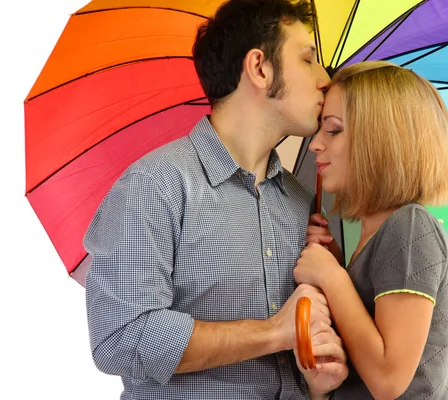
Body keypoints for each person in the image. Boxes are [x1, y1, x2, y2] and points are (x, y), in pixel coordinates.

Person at [83, 0, 348, 399]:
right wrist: (275, 331)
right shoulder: (154, 186)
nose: (325, 78)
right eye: (308, 59)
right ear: (260, 68)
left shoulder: (303, 203)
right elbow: (121, 336)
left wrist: (317, 383)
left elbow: (304, 360)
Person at [294, 61, 448, 399]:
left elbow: (388, 379)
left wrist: (332, 277)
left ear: (379, 139)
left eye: (333, 129)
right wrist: (336, 266)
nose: (315, 144)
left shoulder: (410, 228)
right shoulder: (375, 237)